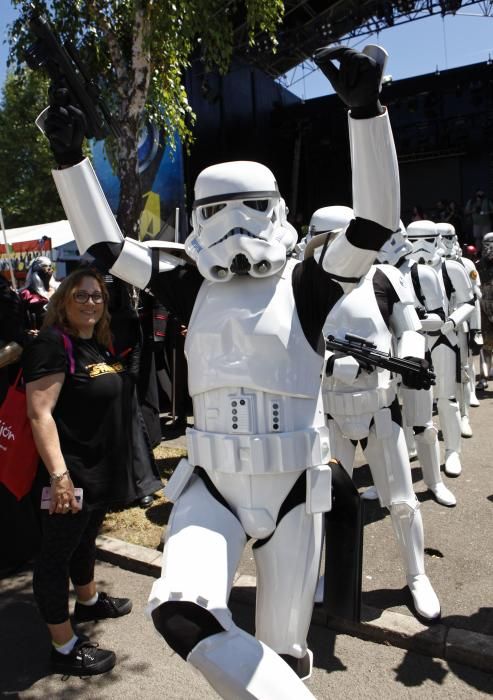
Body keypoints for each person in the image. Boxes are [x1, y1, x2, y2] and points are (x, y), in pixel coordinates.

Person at [41, 44, 400, 697]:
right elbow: (105, 248)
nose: (233, 227)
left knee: (284, 652)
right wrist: (68, 161)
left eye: (249, 208)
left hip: (294, 485)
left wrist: (368, 114)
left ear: (275, 209)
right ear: (198, 221)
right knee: (179, 609)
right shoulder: (187, 284)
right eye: (216, 211)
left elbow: (373, 225)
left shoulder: (309, 283)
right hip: (211, 484)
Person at [315, 209, 442, 622]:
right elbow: (286, 347)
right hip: (329, 411)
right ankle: (321, 575)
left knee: (402, 501)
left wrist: (406, 359)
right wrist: (332, 366)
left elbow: (409, 329)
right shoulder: (303, 285)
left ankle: (417, 575)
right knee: (320, 503)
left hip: (379, 409)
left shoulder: (386, 277)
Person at [23, 268, 134, 677]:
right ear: (63, 300)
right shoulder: (53, 345)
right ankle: (64, 646)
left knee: (85, 539)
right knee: (55, 557)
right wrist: (59, 476)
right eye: (81, 296)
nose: (91, 302)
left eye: (97, 296)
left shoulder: (94, 343)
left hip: (96, 471)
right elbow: (39, 414)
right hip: (68, 476)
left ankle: (87, 601)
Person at [407, 220, 475, 477]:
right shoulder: (401, 270)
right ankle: (412, 446)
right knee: (409, 398)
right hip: (413, 337)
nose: (420, 247)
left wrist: (452, 321)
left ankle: (453, 451)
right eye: (414, 241)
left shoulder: (451, 267)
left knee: (446, 398)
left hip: (444, 335)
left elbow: (468, 301)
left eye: (426, 240)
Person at [19, 256, 59, 332]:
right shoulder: (26, 294)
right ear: (36, 270)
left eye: (50, 266)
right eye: (45, 266)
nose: (49, 268)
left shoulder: (59, 290)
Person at [464, 189, 493, 253]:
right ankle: (478, 252)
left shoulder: (487, 201)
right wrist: (473, 211)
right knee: (477, 238)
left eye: (481, 195)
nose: (480, 196)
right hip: (476, 223)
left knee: (486, 239)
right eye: (478, 195)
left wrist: (486, 212)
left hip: (486, 223)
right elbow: (466, 211)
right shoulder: (472, 201)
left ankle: (486, 252)